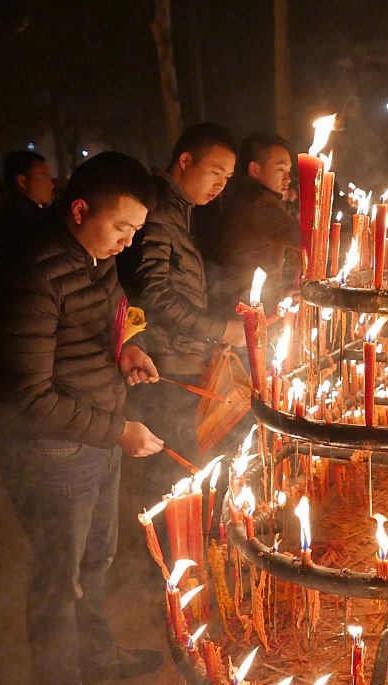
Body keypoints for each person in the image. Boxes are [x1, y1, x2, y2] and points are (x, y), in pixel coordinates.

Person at [0, 152, 165, 684]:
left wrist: (127, 344)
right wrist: (118, 431)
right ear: (82, 209)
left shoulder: (94, 252)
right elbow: (30, 398)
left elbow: (114, 302)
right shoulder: (35, 273)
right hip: (54, 452)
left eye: (136, 230)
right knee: (59, 581)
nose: (127, 242)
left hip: (97, 435)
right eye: (122, 227)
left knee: (93, 565)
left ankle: (99, 660)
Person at [117, 122, 244, 507]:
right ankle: (170, 559)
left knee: (183, 463)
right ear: (186, 161)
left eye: (227, 178)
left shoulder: (177, 212)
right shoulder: (157, 213)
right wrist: (222, 329)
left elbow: (182, 284)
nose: (221, 184)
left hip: (179, 355)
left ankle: (177, 552)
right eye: (215, 172)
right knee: (174, 469)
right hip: (164, 362)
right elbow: (154, 294)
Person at [198, 131, 300, 312]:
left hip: (248, 301)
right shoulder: (258, 204)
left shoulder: (251, 197)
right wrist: (361, 237)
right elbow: (305, 238)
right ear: (255, 170)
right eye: (280, 169)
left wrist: (280, 295)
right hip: (244, 308)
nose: (287, 179)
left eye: (288, 171)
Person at [0, 150, 56, 267]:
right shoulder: (26, 219)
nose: (52, 185)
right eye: (45, 177)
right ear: (22, 181)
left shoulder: (13, 211)